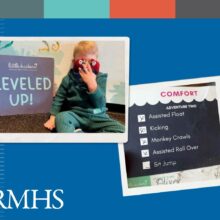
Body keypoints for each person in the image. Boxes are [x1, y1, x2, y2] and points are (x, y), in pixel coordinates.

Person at [44, 41, 125, 133]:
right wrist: (53, 117)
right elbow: (59, 98)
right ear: (74, 62)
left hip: (98, 116)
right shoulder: (68, 79)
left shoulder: (100, 78)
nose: (86, 66)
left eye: (91, 62)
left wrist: (92, 85)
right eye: (82, 61)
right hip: (76, 115)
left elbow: (101, 104)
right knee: (61, 117)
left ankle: (86, 136)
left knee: (122, 130)